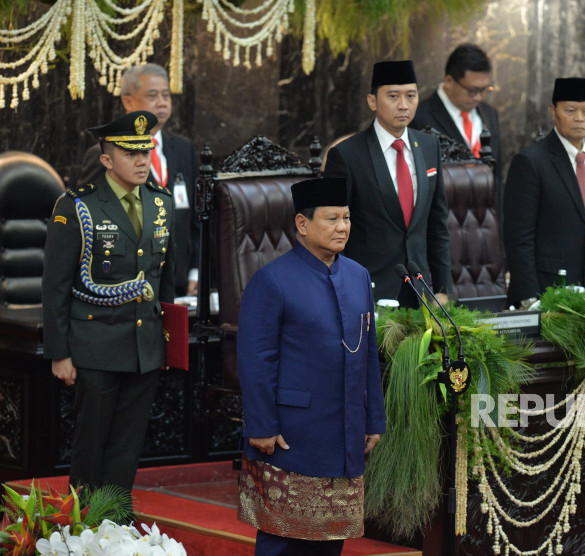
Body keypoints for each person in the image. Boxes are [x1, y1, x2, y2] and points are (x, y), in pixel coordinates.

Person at [235, 177, 385, 556]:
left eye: (347, 218)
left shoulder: (358, 275)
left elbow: (368, 355)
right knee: (281, 539)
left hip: (344, 433)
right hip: (291, 435)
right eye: (332, 218)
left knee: (331, 541)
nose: (343, 227)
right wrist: (262, 426)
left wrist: (373, 420)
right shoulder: (272, 280)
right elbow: (256, 361)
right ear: (302, 224)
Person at [42, 111, 176, 493]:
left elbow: (164, 278)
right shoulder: (76, 208)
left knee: (127, 446)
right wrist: (59, 353)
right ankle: (84, 526)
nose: (140, 162)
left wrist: (166, 344)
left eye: (145, 153)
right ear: (106, 160)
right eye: (129, 154)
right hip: (95, 345)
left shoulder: (160, 203)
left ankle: (116, 522)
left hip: (144, 348)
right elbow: (55, 286)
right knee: (91, 444)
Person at [324, 60, 452, 307]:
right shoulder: (347, 156)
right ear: (372, 101)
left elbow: (438, 224)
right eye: (393, 96)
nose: (403, 105)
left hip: (421, 292)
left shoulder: (429, 146)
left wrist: (444, 288)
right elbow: (333, 231)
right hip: (369, 293)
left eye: (411, 96)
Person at [79, 63, 199, 297]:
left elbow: (196, 219)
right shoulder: (104, 155)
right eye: (152, 95)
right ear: (128, 101)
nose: (162, 102)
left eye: (166, 95)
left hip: (182, 283)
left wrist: (196, 272)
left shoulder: (183, 148)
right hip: (128, 285)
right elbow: (89, 222)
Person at [502, 77, 585, 307]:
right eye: (570, 110)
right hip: (547, 295)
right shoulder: (531, 162)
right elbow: (518, 237)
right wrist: (530, 298)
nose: (579, 119)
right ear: (553, 111)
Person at [411, 44, 503, 215]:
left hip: (486, 224)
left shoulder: (490, 114)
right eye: (472, 91)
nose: (479, 97)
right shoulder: (419, 117)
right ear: (449, 81)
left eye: (484, 90)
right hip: (443, 222)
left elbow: (498, 178)